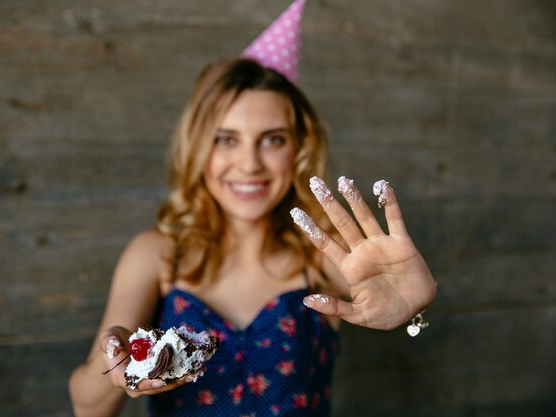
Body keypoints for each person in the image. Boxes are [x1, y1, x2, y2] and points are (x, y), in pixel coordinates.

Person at [69, 2, 436, 416]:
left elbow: (398, 304)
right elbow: (88, 407)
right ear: (198, 148)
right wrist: (114, 364)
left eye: (273, 139)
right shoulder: (156, 256)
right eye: (227, 139)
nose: (249, 164)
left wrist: (415, 308)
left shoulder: (323, 257)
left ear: (298, 147)